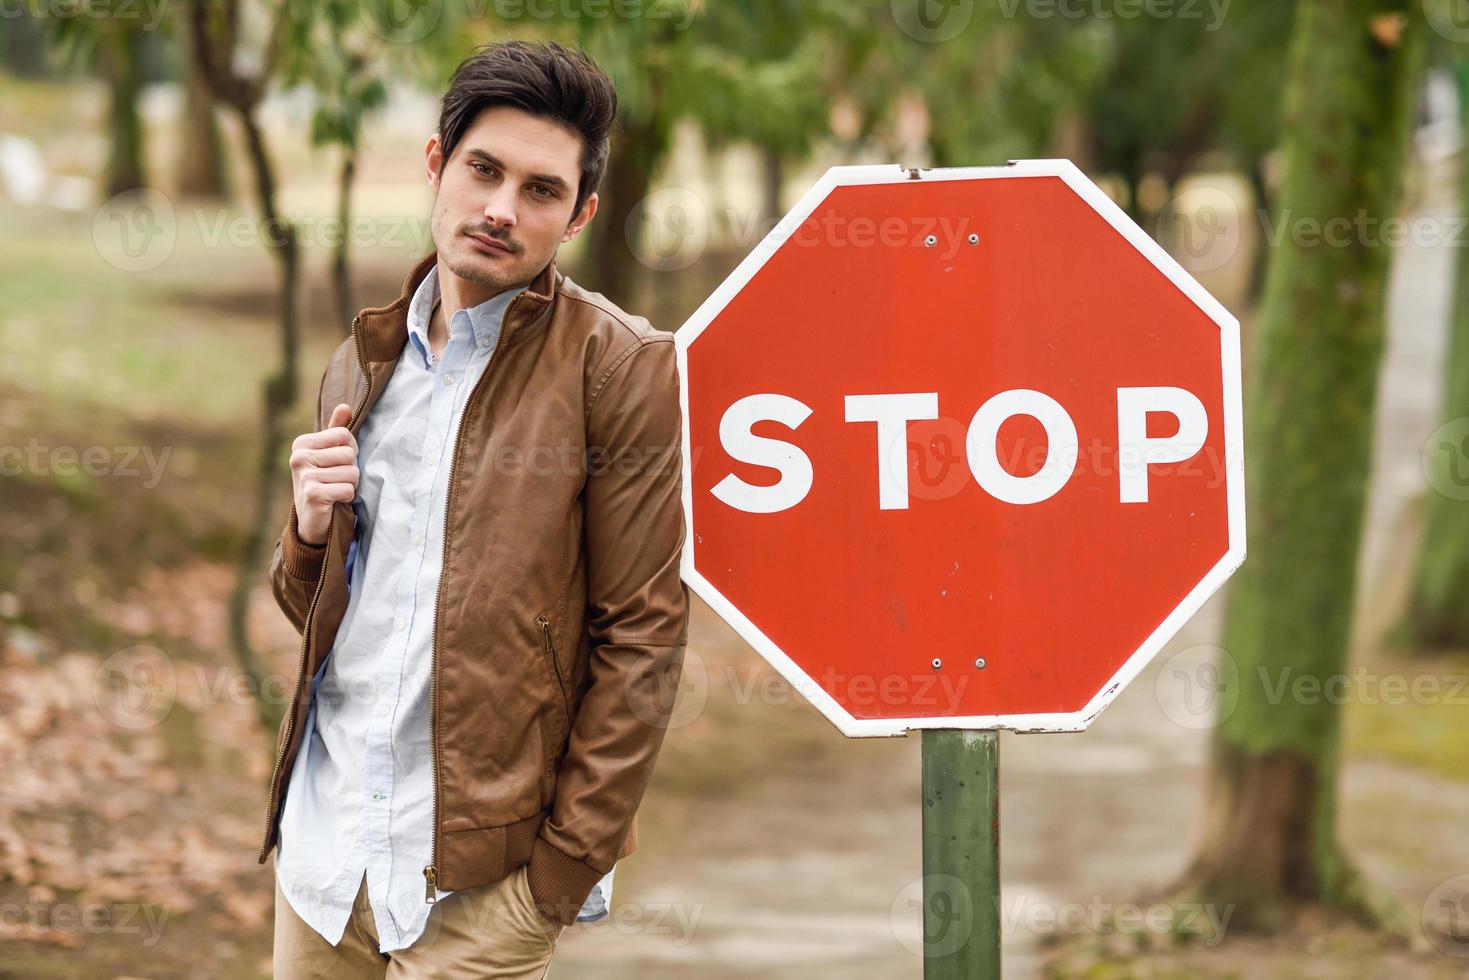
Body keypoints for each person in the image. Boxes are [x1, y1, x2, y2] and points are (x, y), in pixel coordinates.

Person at [259, 39, 689, 978]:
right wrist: (309, 533)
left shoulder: (616, 368)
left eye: (540, 190)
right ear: (435, 165)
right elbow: (319, 618)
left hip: (477, 887)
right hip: (325, 861)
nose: (500, 209)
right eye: (482, 170)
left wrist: (559, 877)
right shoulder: (363, 358)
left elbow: (643, 639)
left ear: (578, 214)